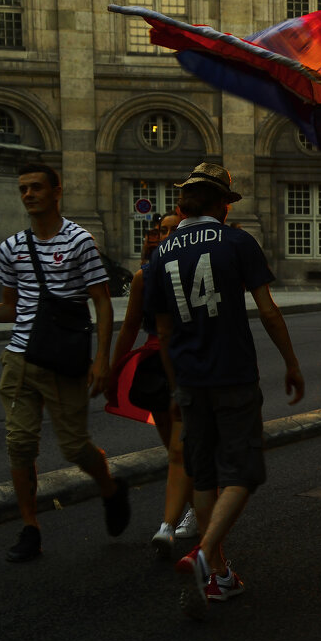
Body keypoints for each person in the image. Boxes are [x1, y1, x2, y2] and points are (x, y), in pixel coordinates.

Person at [143, 162, 305, 619]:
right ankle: (202, 553)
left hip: (190, 380)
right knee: (245, 470)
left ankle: (217, 575)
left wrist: (176, 388)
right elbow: (268, 310)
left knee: (205, 473)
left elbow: (163, 330)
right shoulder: (236, 242)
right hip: (232, 373)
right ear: (221, 205)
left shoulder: (161, 254)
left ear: (182, 205)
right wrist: (291, 363)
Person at [0, 162, 129, 561]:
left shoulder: (80, 241)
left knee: (75, 448)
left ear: (56, 191)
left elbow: (101, 301)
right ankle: (30, 527)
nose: (28, 194)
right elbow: (9, 310)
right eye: (23, 189)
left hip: (62, 359)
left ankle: (110, 488)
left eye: (36, 188)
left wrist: (102, 359)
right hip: (19, 358)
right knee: (19, 444)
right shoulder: (11, 247)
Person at [107, 208, 198, 559]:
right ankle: (193, 505)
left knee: (180, 448)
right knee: (173, 449)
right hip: (157, 367)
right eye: (162, 230)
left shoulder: (197, 271)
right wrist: (112, 369)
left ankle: (174, 521)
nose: (167, 235)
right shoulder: (144, 276)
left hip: (190, 362)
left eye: (174, 229)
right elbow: (129, 326)